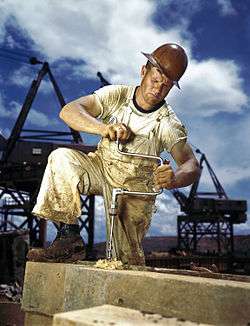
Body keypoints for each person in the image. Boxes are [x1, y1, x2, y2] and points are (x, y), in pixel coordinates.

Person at [27, 43, 200, 265]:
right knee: (62, 158)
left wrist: (175, 178)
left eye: (165, 86)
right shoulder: (117, 96)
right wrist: (103, 128)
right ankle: (68, 238)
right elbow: (69, 111)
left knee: (125, 262)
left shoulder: (167, 123)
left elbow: (191, 165)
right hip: (101, 168)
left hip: (134, 189)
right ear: (143, 71)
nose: (157, 89)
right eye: (155, 80)